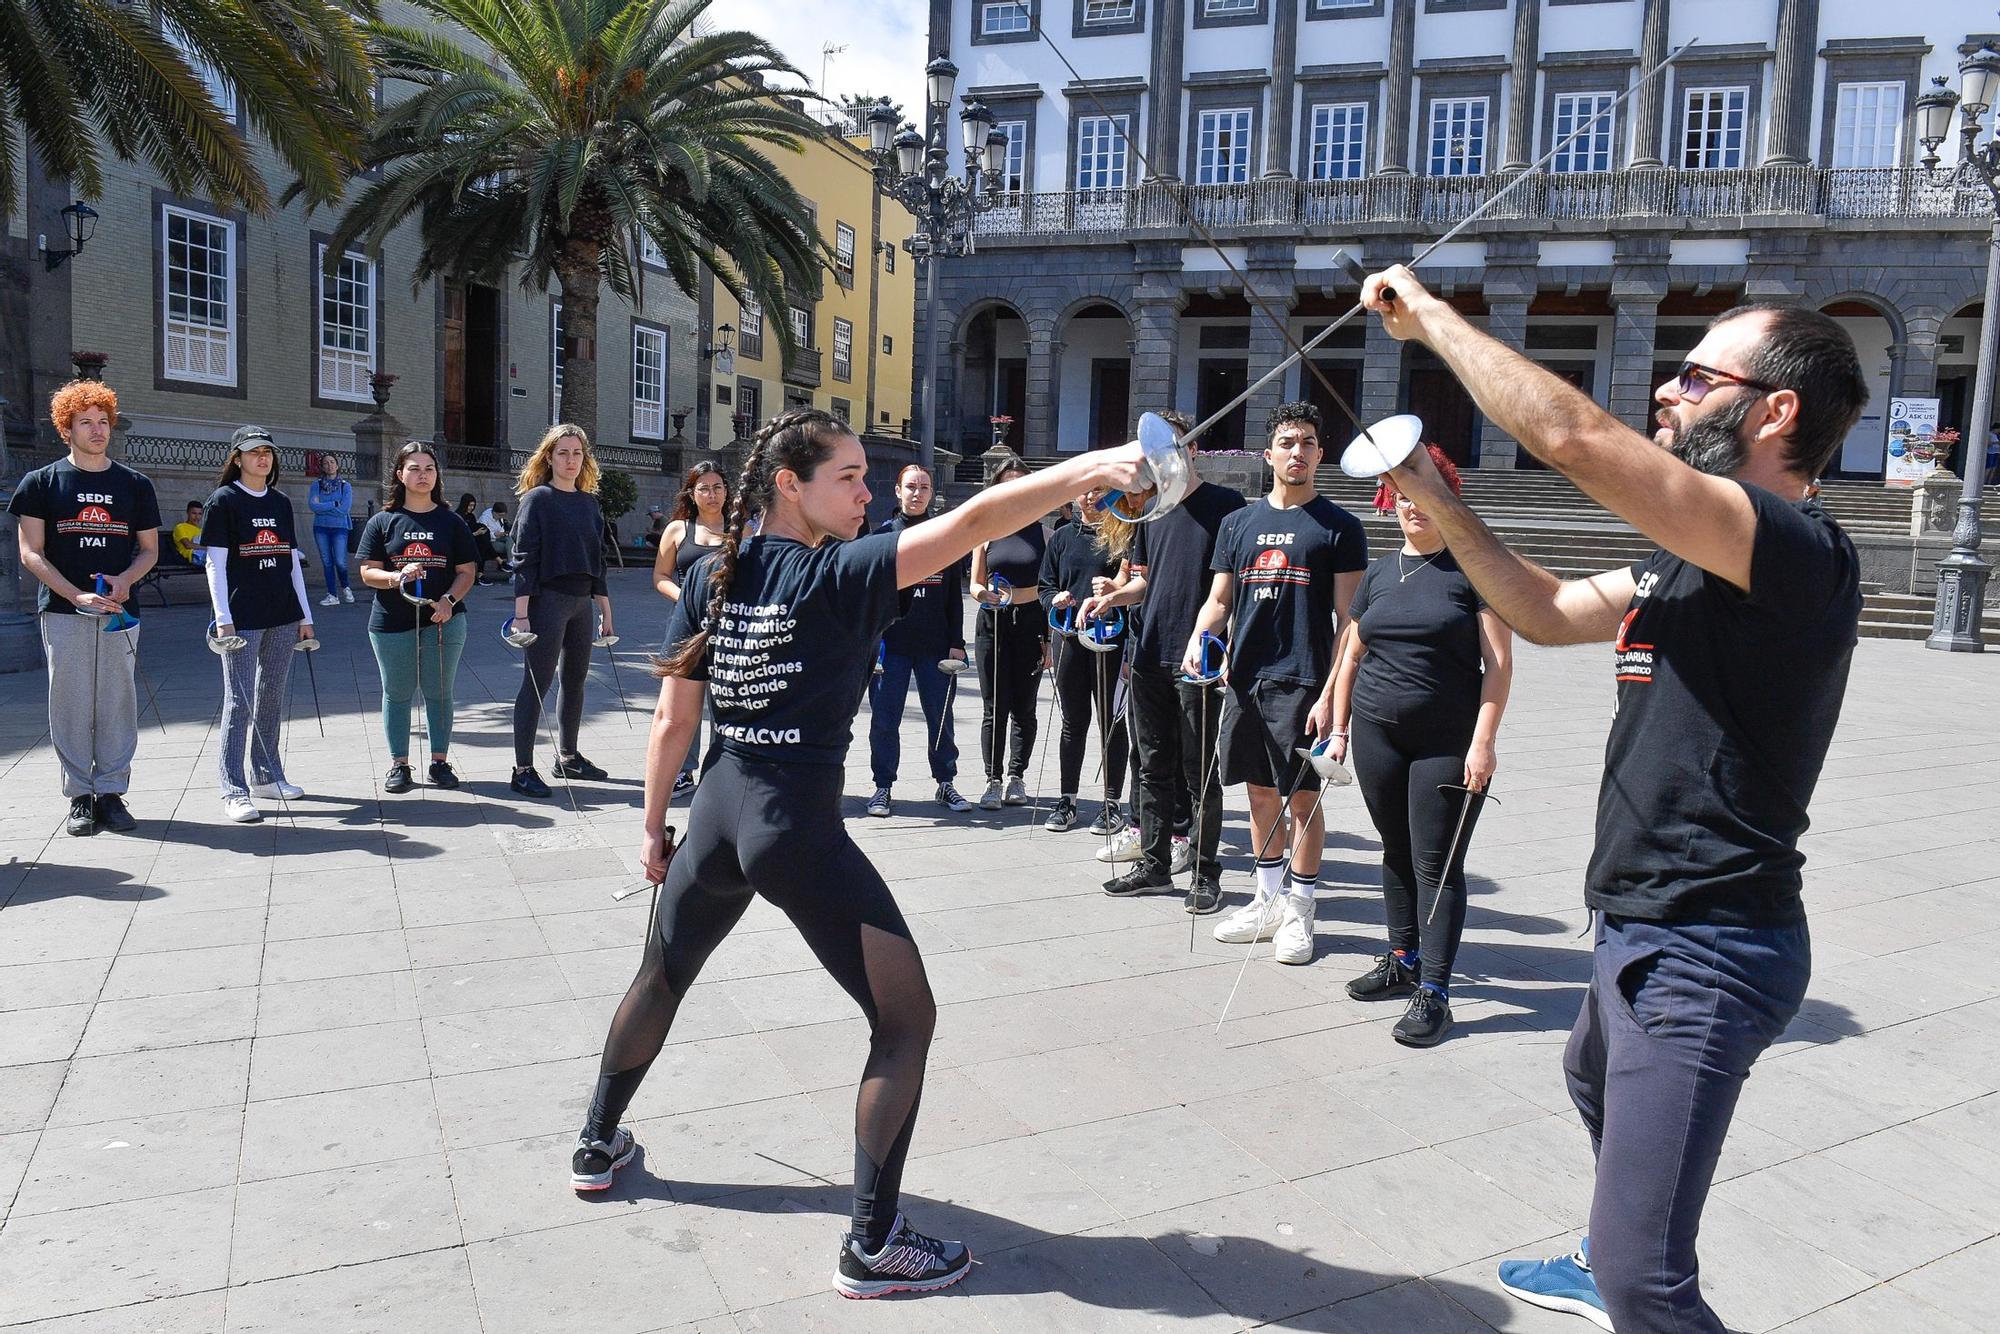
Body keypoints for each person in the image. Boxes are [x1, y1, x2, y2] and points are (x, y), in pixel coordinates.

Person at [1354, 265, 1867, 1334]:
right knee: (1589, 1069)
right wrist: (1433, 493)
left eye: (1691, 375)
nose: (1666, 395)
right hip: (1639, 920)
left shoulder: (1794, 553)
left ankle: (1618, 1265)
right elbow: (1539, 609)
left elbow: (1576, 441)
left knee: (1649, 1286)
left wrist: (1435, 318)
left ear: (1776, 410)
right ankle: (1609, 1246)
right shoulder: (1687, 561)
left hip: (1708, 941)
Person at [569, 408, 1148, 1299]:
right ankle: (873, 1244)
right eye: (849, 476)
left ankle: (597, 1142)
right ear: (790, 486)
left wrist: (653, 826)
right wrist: (1093, 467)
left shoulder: (710, 572)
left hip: (720, 810)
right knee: (906, 1019)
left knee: (660, 975)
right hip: (792, 828)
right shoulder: (838, 573)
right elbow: (973, 525)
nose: (868, 491)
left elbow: (673, 721)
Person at [1323, 445, 1512, 1045]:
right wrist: (1340, 725)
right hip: (1377, 733)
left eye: (1427, 497)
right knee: (1395, 851)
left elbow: (1499, 664)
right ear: (1389, 501)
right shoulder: (1379, 573)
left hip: (1445, 742)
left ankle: (1436, 991)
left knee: (1436, 863)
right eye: (1402, 496)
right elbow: (1353, 650)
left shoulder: (1474, 571)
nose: (1413, 508)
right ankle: (1403, 959)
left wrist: (1483, 744)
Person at [1192, 402, 1368, 964]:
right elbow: (1220, 600)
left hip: (1304, 681)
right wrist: (1201, 637)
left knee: (1303, 803)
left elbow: (1350, 621)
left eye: (1309, 443)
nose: (1298, 452)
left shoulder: (1339, 527)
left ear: (1321, 453)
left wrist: (1332, 693)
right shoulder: (1237, 524)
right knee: (1259, 795)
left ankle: (1301, 911)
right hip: (1245, 681)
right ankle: (1265, 901)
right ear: (1268, 454)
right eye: (1288, 442)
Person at [1082, 410, 1242, 911]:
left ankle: (1204, 871)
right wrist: (1114, 596)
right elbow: (1144, 580)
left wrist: (1226, 644)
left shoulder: (1227, 506)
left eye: (1175, 445)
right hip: (1149, 652)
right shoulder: (1152, 508)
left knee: (1200, 773)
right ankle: (1154, 865)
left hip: (1197, 659)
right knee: (1151, 766)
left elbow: (1230, 590)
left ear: (1192, 450)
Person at [10, 380, 159, 836]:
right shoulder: (41, 483)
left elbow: (148, 550)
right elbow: (30, 552)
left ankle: (112, 792)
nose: (96, 431)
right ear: (65, 429)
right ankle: (79, 795)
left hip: (118, 612)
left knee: (117, 699)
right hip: (63, 611)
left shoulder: (134, 484)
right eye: (85, 422)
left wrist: (125, 580)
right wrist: (75, 594)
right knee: (70, 704)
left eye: (102, 422)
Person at [199, 427, 316, 823]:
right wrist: (223, 621)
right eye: (253, 452)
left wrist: (306, 617)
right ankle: (233, 789)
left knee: (271, 695)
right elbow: (215, 564)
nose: (262, 458)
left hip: (282, 614)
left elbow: (290, 562)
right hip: (241, 617)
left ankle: (267, 774)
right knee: (239, 700)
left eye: (267, 452)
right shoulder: (224, 501)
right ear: (237, 458)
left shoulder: (282, 503)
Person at [355, 443, 479, 793]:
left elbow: (467, 571)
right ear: (400, 474)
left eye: (429, 468)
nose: (422, 475)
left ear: (437, 475)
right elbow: (367, 572)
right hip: (392, 620)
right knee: (397, 693)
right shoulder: (382, 521)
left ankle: (439, 762)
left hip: (444, 620)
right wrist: (398, 578)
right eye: (414, 468)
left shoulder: (451, 521)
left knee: (440, 691)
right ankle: (399, 765)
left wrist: (448, 600)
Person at [510, 424, 614, 797]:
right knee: (536, 684)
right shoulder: (537, 499)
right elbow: (523, 560)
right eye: (563, 453)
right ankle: (522, 769)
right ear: (549, 457)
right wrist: (521, 615)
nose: (571, 460)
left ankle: (567, 757)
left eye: (577, 453)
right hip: (547, 603)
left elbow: (597, 560)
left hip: (581, 603)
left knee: (575, 681)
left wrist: (605, 609)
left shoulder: (589, 503)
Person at [865, 464, 972, 818]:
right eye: (910, 486)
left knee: (940, 718)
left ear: (931, 493)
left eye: (924, 487)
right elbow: (871, 596)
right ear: (898, 491)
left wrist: (957, 642)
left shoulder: (943, 535)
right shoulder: (883, 536)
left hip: (935, 646)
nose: (917, 493)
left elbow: (954, 597)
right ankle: (883, 786)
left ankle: (945, 781)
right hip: (890, 646)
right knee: (884, 718)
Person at [1037, 486, 1127, 836]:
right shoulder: (1061, 537)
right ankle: (1067, 800)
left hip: (1110, 641)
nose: (1091, 498)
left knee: (1112, 723)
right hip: (1069, 641)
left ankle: (1111, 803)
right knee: (1072, 722)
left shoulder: (1122, 534)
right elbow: (1044, 586)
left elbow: (1132, 589)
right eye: (1085, 492)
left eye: (1100, 492)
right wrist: (1054, 599)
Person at [968, 454, 1047, 810]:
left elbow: (1048, 587)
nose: (1013, 488)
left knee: (1024, 707)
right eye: (1006, 482)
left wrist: (1048, 640)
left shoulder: (1044, 532)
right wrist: (982, 594)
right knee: (993, 706)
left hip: (1030, 621)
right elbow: (973, 582)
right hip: (992, 622)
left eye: (1020, 481)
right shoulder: (985, 530)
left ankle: (1017, 776)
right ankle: (992, 779)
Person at [655, 461, 731, 797]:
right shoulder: (677, 529)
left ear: (727, 491)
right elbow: (660, 576)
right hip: (686, 626)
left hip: (731, 628)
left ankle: (721, 770)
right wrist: (687, 598)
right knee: (680, 707)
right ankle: (684, 771)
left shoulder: (742, 528)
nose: (712, 494)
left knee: (724, 702)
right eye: (704, 488)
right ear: (692, 493)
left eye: (717, 487)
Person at [306, 451, 355, 606]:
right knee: (327, 562)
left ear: (337, 465)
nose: (329, 465)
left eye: (332, 462)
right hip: (321, 527)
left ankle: (346, 586)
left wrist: (324, 506)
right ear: (322, 467)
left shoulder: (345, 486)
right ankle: (332, 595)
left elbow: (345, 508)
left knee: (340, 562)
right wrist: (333, 504)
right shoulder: (316, 485)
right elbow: (314, 506)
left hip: (340, 527)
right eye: (326, 463)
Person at [455, 492, 499, 581]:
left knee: (483, 540)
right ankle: (484, 571)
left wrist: (482, 530)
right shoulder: (457, 516)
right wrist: (476, 534)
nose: (471, 508)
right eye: (469, 505)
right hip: (462, 543)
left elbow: (474, 527)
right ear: (464, 504)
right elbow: (460, 536)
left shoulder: (471, 516)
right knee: (482, 544)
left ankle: (480, 574)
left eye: (473, 506)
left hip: (473, 540)